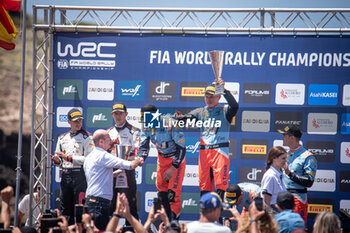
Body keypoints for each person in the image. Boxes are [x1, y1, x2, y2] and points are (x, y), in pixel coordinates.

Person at [175, 77, 238, 199]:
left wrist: (223, 89)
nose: (209, 99)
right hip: (204, 153)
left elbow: (235, 106)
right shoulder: (200, 112)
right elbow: (188, 118)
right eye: (207, 96)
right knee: (204, 187)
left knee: (221, 187)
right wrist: (181, 117)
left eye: (212, 96)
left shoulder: (225, 110)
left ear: (219, 97)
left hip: (220, 152)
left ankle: (219, 218)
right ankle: (206, 217)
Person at [83, 129, 143, 230]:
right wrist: (139, 159)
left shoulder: (89, 157)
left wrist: (115, 173)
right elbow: (131, 165)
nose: (111, 141)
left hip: (91, 201)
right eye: (109, 139)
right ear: (101, 142)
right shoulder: (103, 155)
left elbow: (98, 175)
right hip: (99, 203)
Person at [138, 104, 186, 221]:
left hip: (176, 160)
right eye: (143, 119)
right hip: (162, 160)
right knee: (162, 195)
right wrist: (141, 158)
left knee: (172, 196)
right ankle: (165, 224)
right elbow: (144, 146)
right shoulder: (145, 125)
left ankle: (174, 226)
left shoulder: (171, 124)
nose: (145, 122)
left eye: (147, 119)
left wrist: (173, 168)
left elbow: (182, 148)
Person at [51, 108, 94, 225]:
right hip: (65, 175)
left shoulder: (87, 137)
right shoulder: (61, 137)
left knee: (80, 208)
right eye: (75, 121)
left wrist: (68, 158)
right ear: (69, 122)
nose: (78, 123)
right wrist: (57, 160)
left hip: (80, 176)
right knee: (66, 209)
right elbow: (59, 158)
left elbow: (89, 159)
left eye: (80, 120)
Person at [107, 102, 140, 224]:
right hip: (112, 172)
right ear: (112, 115)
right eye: (115, 114)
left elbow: (136, 151)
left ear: (126, 114)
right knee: (110, 206)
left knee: (129, 207)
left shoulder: (134, 131)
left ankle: (131, 230)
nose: (118, 116)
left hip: (127, 172)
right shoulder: (108, 132)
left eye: (120, 113)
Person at [278, 125, 317, 225]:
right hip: (282, 198)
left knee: (295, 228)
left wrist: (290, 174)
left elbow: (309, 181)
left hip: (297, 198)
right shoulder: (284, 154)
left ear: (292, 138)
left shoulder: (307, 156)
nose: (282, 138)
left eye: (284, 135)